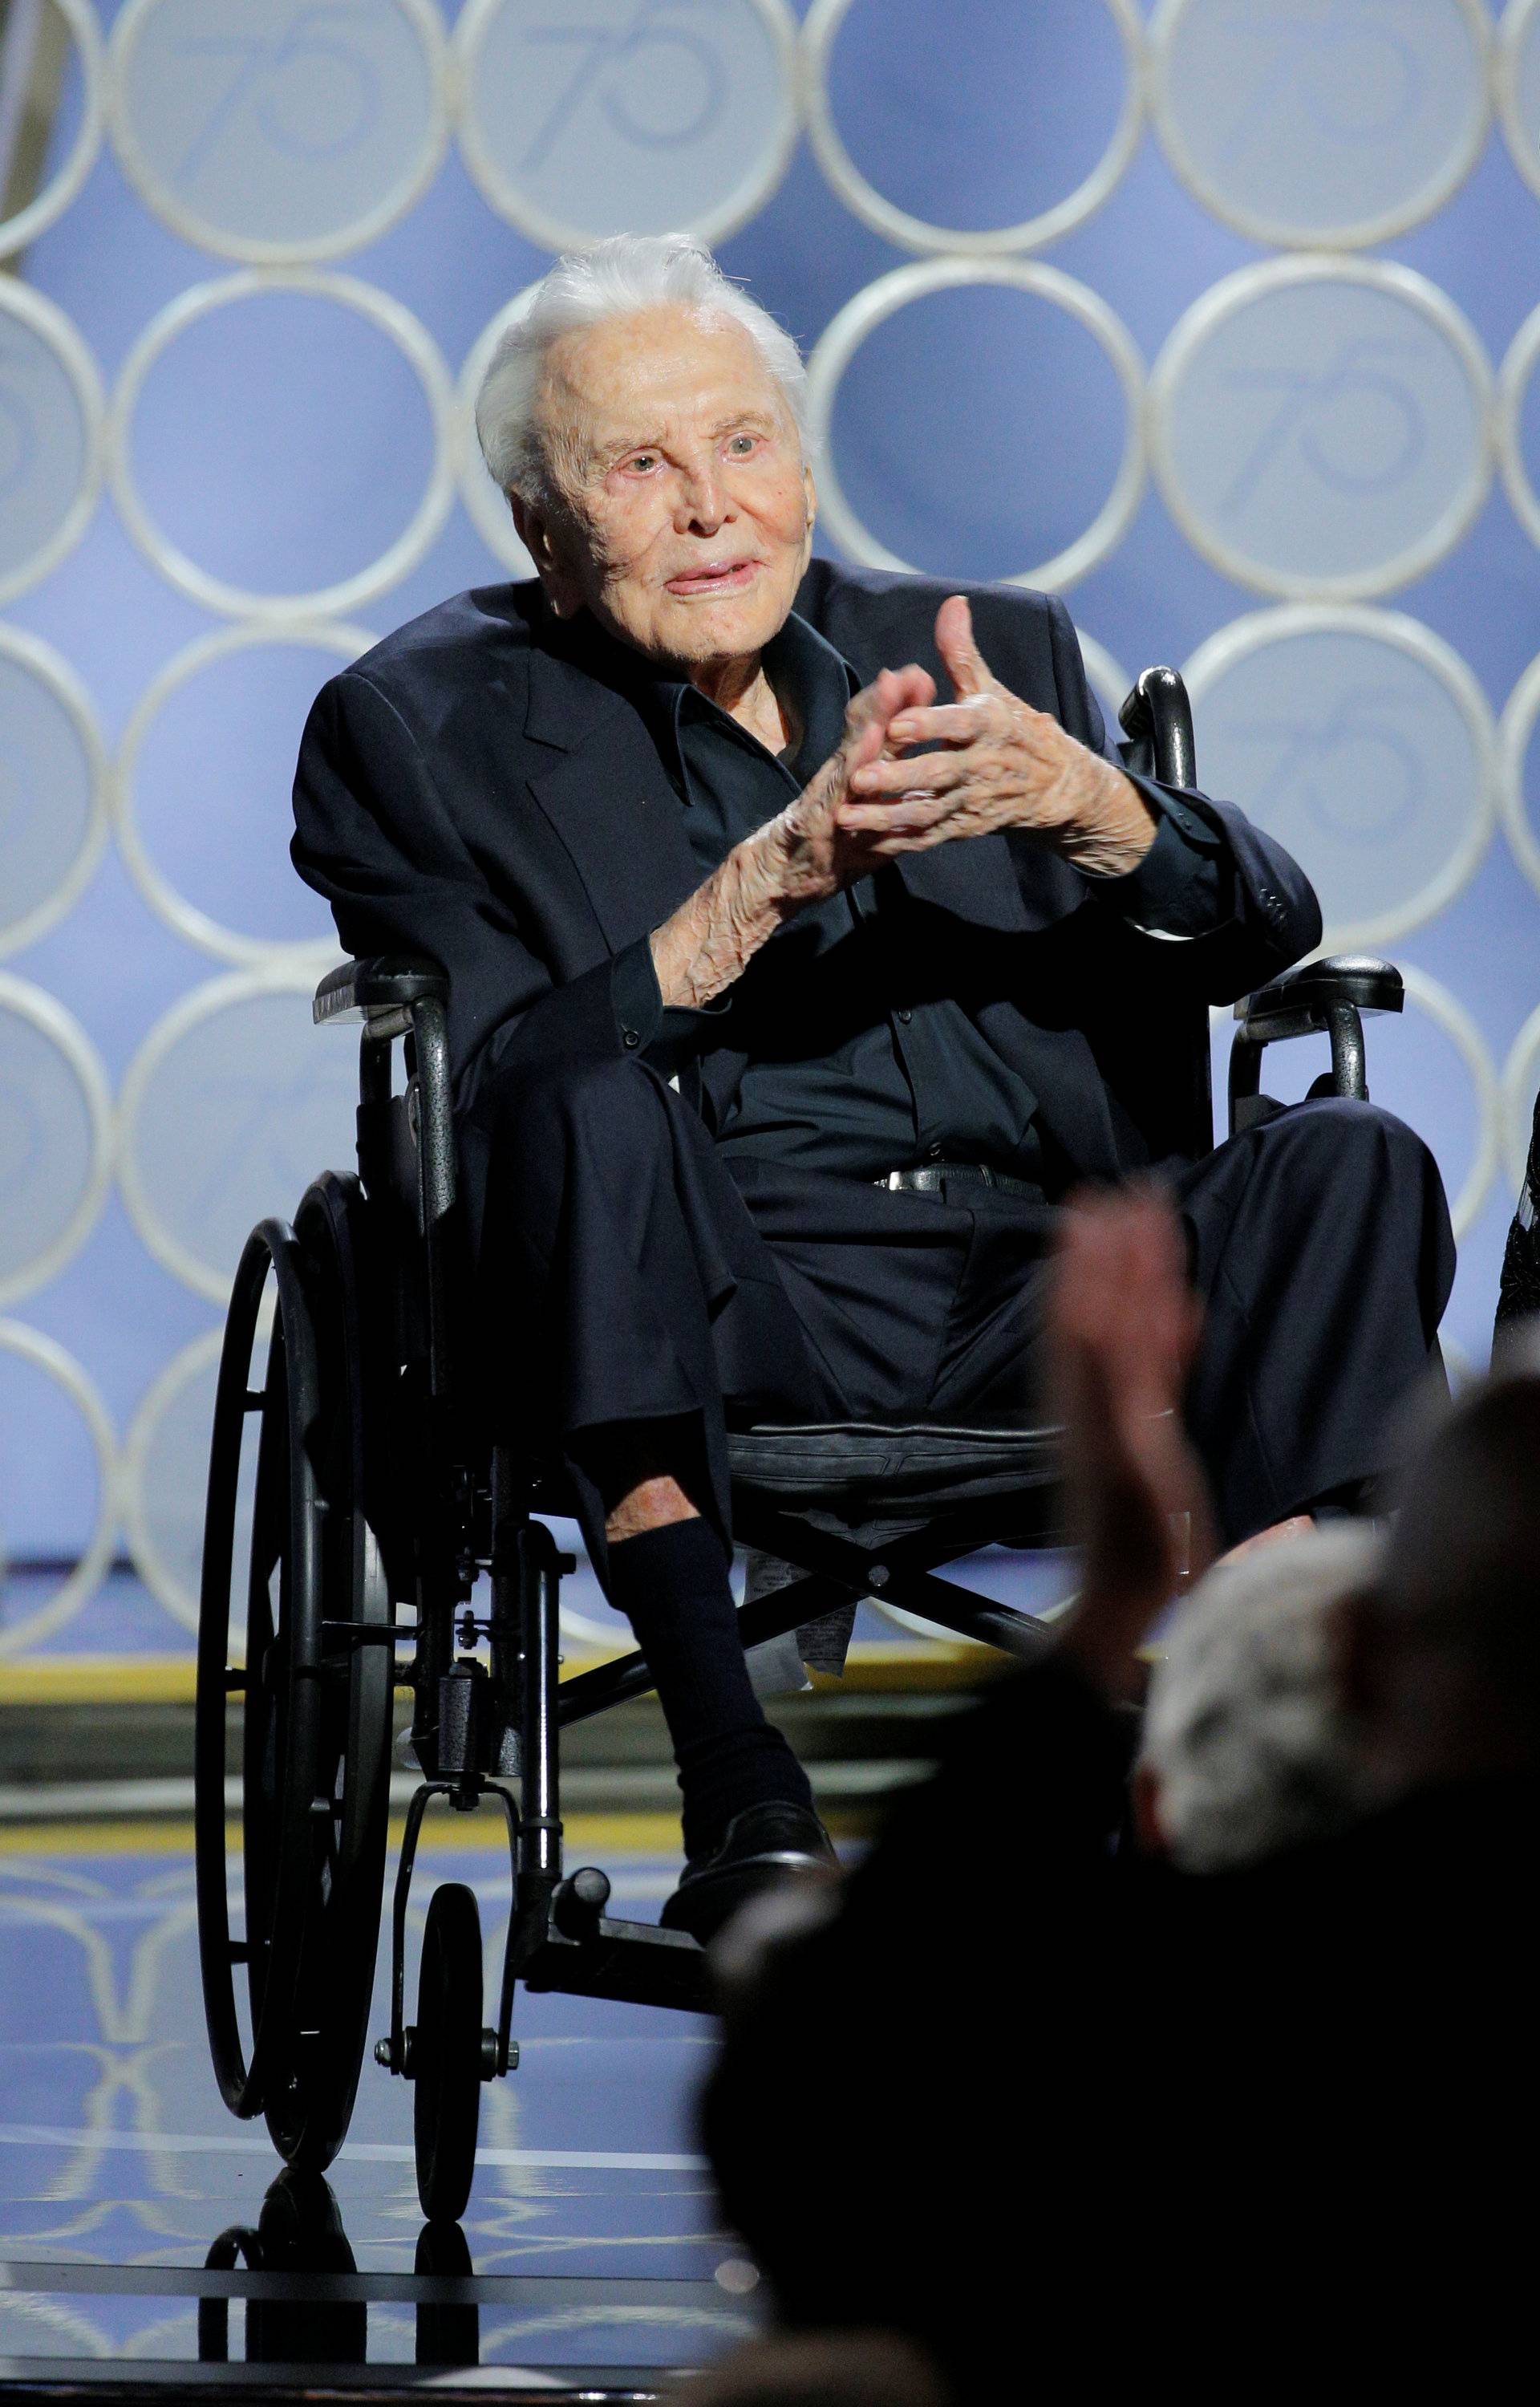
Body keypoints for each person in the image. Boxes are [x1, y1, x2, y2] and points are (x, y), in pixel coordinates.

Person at [292, 231, 1453, 1937]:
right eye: (640, 466)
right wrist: (758, 887)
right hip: (723, 1293)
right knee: (584, 1094)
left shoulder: (990, 653)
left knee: (1349, 1158)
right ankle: (734, 1775)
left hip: (1059, 1291)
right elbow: (492, 1095)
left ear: (806, 469)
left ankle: (1269, 1747)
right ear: (546, 531)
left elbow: (1266, 928)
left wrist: (1100, 811)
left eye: (744, 445)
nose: (710, 506)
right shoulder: (417, 730)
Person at [701, 1200, 1538, 2383]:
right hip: (797, 1275)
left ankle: (1245, 1694)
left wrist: (1115, 1603)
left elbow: (807, 2121)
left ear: (1356, 1649)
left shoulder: (1199, 2007)